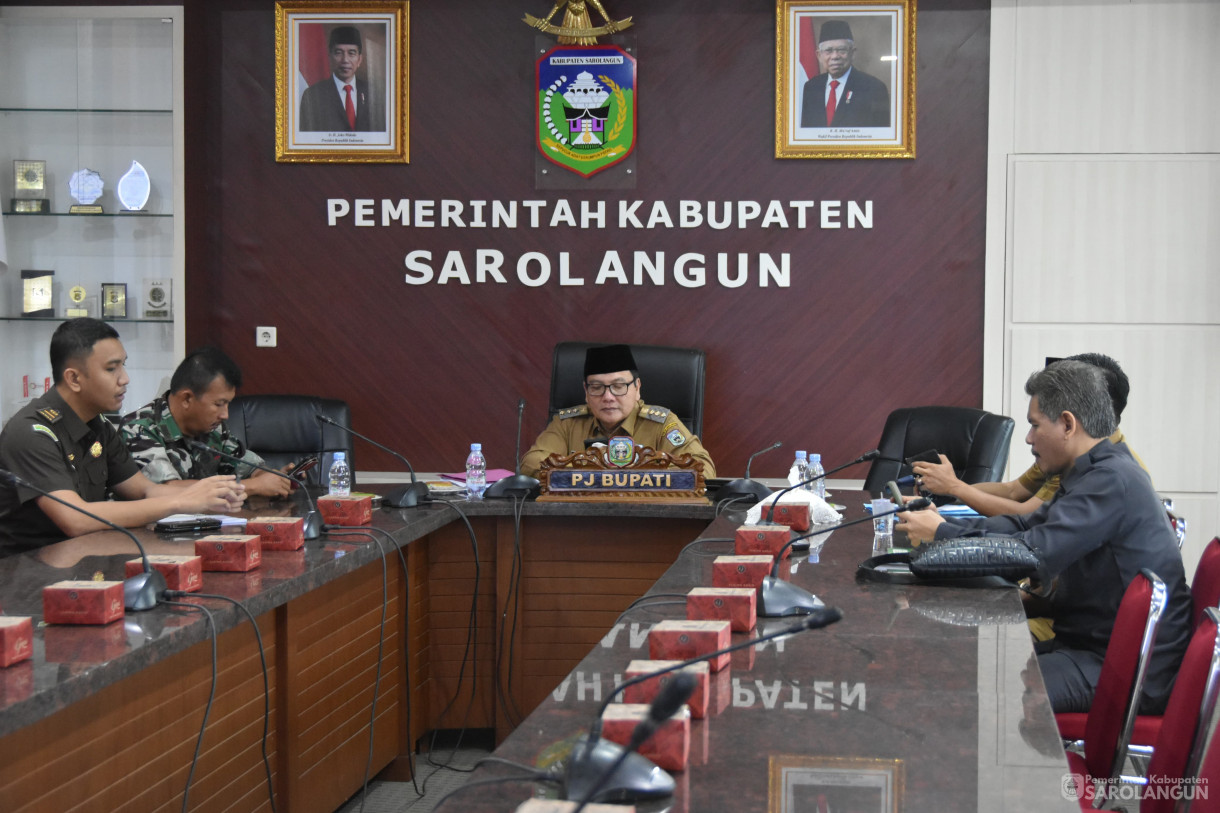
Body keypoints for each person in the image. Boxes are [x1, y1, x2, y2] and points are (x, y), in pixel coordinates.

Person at [896, 360, 1190, 715]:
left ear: (1067, 424)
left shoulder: (1112, 480)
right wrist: (943, 529)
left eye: (1035, 425)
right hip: (1094, 646)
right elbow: (1024, 528)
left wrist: (941, 533)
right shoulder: (1094, 471)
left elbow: (1030, 553)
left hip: (1125, 669)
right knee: (971, 660)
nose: (1028, 438)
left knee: (988, 686)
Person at [0, 319, 244, 556]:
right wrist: (179, 503)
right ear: (74, 378)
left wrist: (209, 495)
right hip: (28, 576)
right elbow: (75, 519)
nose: (124, 378)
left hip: (87, 559)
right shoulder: (31, 432)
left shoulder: (99, 426)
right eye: (111, 368)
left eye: (123, 365)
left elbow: (144, 490)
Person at [912, 353, 1146, 516]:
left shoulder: (1107, 476)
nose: (1028, 438)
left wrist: (954, 490)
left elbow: (1029, 521)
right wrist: (945, 492)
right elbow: (1014, 492)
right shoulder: (1073, 457)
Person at [521, 344, 716, 479]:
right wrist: (595, 473)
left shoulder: (662, 424)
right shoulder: (567, 424)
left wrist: (636, 476)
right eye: (597, 387)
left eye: (619, 386)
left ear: (637, 388)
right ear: (586, 392)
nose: (608, 397)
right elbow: (531, 463)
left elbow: (702, 468)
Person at [121, 347, 293, 498]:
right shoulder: (138, 428)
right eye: (218, 404)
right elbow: (166, 490)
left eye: (228, 404)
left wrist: (273, 478)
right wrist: (253, 487)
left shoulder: (213, 427)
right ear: (187, 398)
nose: (225, 415)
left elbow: (249, 467)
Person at [800, 20, 890, 128]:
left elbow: (881, 136)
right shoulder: (811, 87)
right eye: (828, 51)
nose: (835, 56)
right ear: (819, 55)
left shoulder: (874, 88)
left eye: (841, 50)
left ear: (853, 53)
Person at [298, 25, 384, 132]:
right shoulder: (312, 95)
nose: (345, 60)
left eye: (351, 53)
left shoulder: (373, 93)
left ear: (360, 60)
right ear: (330, 57)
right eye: (339, 53)